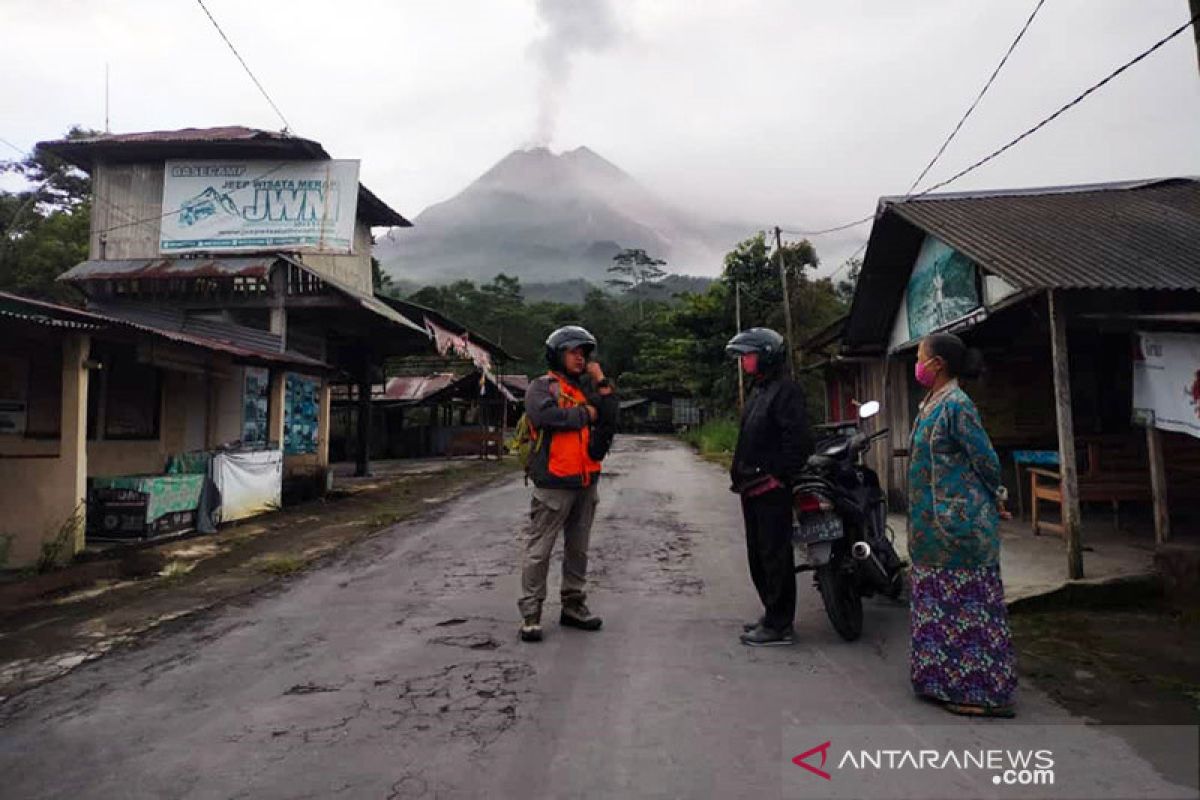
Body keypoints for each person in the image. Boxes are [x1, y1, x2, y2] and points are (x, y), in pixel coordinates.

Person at [908, 332, 1017, 717]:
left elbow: (984, 458)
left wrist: (998, 496)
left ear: (937, 364)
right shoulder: (931, 403)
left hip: (958, 526)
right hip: (931, 531)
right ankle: (939, 682)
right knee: (937, 603)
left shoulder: (957, 405)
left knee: (967, 609)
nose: (916, 363)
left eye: (921, 357)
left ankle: (978, 693)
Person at [518, 325, 619, 643]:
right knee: (540, 549)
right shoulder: (542, 387)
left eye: (584, 353)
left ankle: (573, 605)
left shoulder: (586, 388)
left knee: (578, 549)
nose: (580, 358)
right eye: (574, 352)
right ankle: (531, 613)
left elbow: (610, 416)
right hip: (554, 483)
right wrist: (585, 415)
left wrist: (600, 379)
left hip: (586, 480)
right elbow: (545, 417)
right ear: (557, 354)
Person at [726, 328, 813, 646]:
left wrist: (780, 476)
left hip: (771, 488)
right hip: (751, 485)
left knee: (775, 556)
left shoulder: (785, 391)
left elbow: (799, 439)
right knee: (758, 556)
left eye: (749, 355)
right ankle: (771, 613)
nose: (744, 361)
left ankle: (780, 624)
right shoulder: (759, 390)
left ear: (766, 356)